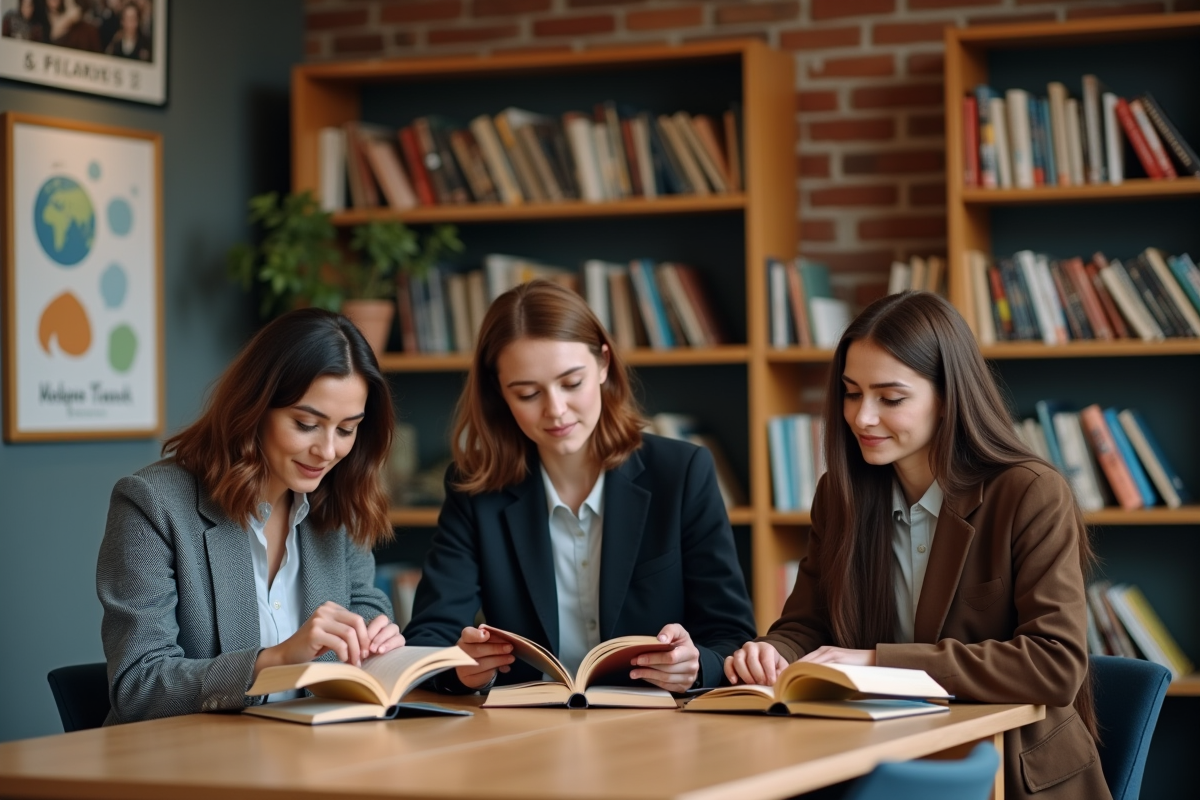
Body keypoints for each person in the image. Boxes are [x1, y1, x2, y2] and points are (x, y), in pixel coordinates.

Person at [724, 291, 1109, 799]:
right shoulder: (840, 497)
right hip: (879, 756)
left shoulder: (1029, 493)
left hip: (1008, 771)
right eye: (851, 392)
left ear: (948, 397)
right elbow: (807, 624)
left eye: (891, 398)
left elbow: (1054, 664)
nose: (862, 418)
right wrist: (772, 653)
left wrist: (879, 661)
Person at [403, 279, 756, 694]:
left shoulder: (681, 472)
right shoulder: (474, 489)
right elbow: (428, 638)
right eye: (528, 393)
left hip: (659, 726)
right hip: (525, 730)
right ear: (499, 392)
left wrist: (695, 666)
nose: (555, 410)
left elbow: (732, 634)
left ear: (603, 364)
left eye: (572, 383)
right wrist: (460, 668)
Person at [97, 308, 404, 724]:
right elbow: (139, 685)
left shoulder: (338, 501)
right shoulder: (152, 504)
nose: (328, 451)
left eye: (347, 429)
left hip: (316, 758)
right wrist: (273, 662)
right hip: (189, 768)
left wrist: (373, 638)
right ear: (255, 408)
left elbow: (364, 602)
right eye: (306, 423)